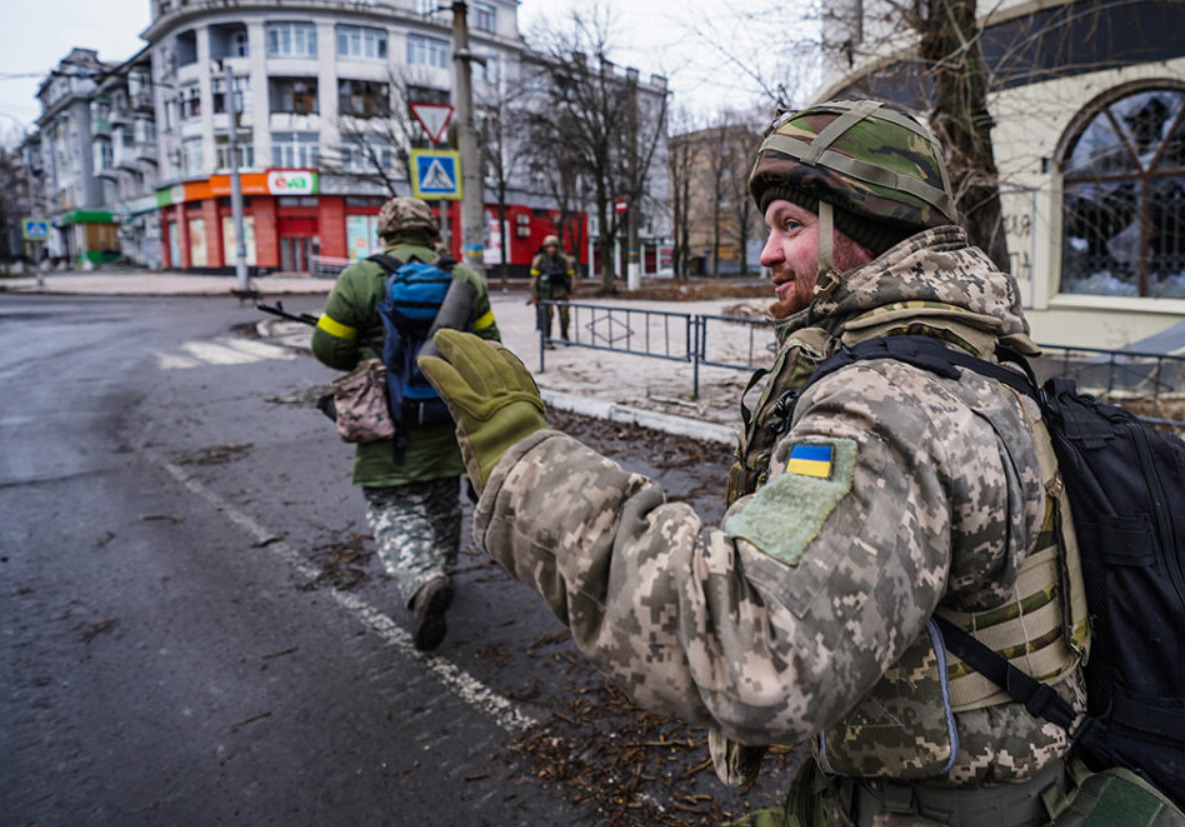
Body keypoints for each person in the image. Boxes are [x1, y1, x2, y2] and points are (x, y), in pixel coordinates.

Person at [420, 101, 1090, 825]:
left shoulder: (889, 403)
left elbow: (757, 649)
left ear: (861, 231)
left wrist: (522, 459)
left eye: (791, 226)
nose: (765, 253)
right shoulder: (975, 357)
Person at [311, 197, 501, 652]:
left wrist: (369, 351)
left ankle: (423, 580)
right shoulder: (463, 279)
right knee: (441, 497)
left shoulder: (359, 277)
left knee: (393, 505)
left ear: (387, 231)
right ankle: (444, 571)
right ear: (431, 232)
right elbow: (491, 345)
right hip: (447, 416)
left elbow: (327, 348)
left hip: (386, 421)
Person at [529, 234, 573, 346]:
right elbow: (534, 280)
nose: (551, 249)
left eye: (553, 247)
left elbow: (571, 276)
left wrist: (572, 291)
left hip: (560, 290)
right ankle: (547, 338)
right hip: (545, 292)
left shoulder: (563, 260)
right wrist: (535, 296)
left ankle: (564, 335)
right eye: (549, 247)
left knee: (564, 315)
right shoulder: (540, 260)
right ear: (545, 247)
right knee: (547, 316)